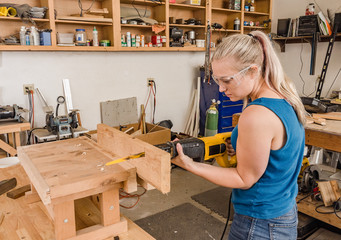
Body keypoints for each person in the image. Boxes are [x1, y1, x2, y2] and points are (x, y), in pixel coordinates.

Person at [172, 30, 307, 240]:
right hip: (282, 213)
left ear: (253, 70)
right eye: (217, 80)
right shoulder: (285, 97)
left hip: (259, 223)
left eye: (227, 80)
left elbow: (244, 178)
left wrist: (191, 165)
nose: (221, 89)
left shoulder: (256, 115)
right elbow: (276, 156)